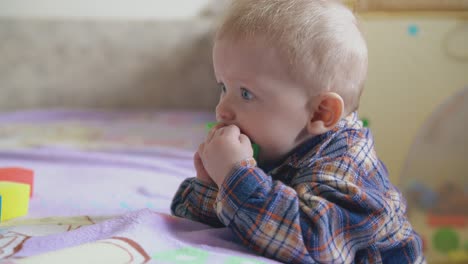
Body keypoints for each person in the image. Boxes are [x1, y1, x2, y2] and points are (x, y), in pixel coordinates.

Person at [171, 0, 424, 263]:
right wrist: (213, 184)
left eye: (246, 93)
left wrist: (235, 176)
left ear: (320, 113)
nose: (222, 109)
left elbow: (314, 246)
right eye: (223, 87)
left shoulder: (347, 168)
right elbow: (234, 225)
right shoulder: (281, 141)